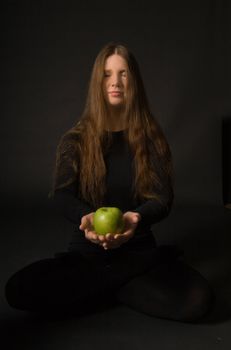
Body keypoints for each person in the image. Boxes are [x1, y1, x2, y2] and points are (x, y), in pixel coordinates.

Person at [5, 42, 213, 322]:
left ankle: (98, 286)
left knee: (197, 302)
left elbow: (163, 200)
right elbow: (63, 195)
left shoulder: (151, 139)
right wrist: (87, 218)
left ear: (134, 81)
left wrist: (135, 218)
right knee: (17, 290)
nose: (115, 82)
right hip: (87, 253)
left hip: (137, 249)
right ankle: (126, 277)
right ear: (97, 82)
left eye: (124, 73)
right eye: (107, 74)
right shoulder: (75, 140)